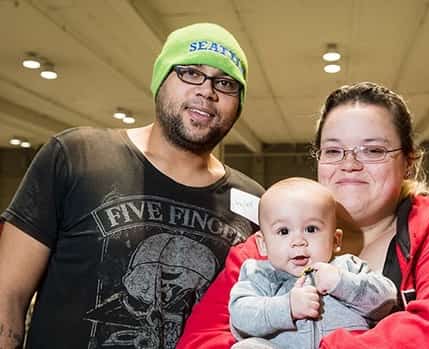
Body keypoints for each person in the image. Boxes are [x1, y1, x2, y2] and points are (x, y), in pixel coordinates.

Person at [177, 81, 429, 348]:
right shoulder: (266, 249)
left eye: (373, 150)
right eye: (334, 150)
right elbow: (202, 338)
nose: (349, 165)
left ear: (408, 162)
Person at [0, 23, 264, 348]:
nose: (207, 91)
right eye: (191, 73)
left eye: (225, 83)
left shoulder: (255, 203)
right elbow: (7, 294)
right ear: (160, 80)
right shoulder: (77, 155)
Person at [229, 177, 397, 348]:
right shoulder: (260, 274)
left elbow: (386, 300)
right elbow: (240, 317)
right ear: (263, 245)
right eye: (283, 231)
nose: (298, 241)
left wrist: (342, 283)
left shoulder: (348, 266)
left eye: (311, 229)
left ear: (335, 240)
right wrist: (287, 307)